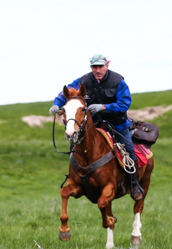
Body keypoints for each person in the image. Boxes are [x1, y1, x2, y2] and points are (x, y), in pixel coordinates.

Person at [50, 54, 144, 200]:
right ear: (91, 68)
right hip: (93, 125)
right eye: (95, 67)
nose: (98, 70)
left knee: (129, 150)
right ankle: (75, 178)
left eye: (101, 66)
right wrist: (57, 103)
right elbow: (66, 92)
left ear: (107, 65)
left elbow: (125, 103)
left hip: (117, 124)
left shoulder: (118, 81)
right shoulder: (83, 81)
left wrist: (103, 107)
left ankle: (134, 184)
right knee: (75, 149)